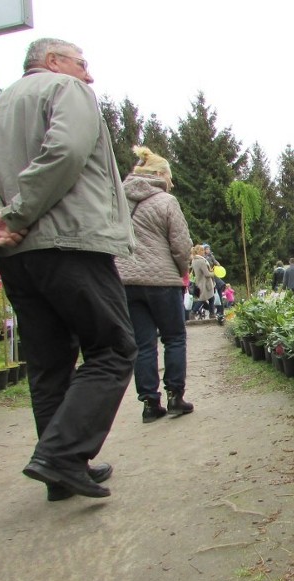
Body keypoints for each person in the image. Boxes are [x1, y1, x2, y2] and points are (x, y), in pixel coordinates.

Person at [0, 38, 137, 500]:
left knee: (49, 363)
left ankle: (62, 473)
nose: (89, 75)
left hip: (15, 256)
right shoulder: (66, 90)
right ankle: (62, 455)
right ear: (52, 62)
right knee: (113, 347)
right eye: (83, 63)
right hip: (69, 242)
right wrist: (19, 214)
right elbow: (65, 151)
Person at [115, 146, 193, 423]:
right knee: (173, 337)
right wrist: (183, 271)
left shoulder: (117, 201)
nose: (171, 182)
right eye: (169, 176)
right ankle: (175, 396)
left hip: (126, 281)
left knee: (143, 344)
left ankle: (149, 403)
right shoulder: (166, 201)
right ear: (159, 174)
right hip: (162, 280)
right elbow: (181, 245)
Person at [190, 244, 216, 318]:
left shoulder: (194, 260)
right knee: (202, 298)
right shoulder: (201, 261)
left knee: (211, 298)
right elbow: (206, 274)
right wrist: (213, 273)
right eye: (202, 250)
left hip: (200, 282)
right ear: (199, 251)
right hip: (205, 283)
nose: (204, 251)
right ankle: (193, 312)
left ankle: (212, 314)